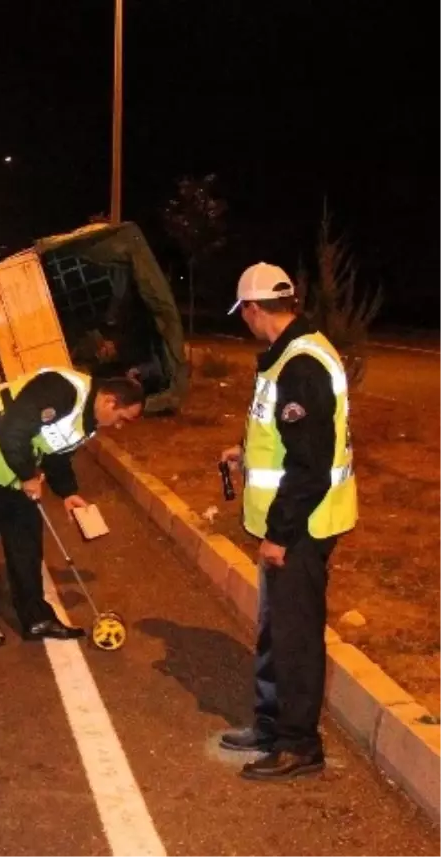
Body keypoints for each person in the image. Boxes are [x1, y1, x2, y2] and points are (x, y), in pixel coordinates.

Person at [218, 262, 357, 782]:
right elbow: (285, 435)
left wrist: (280, 534)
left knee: (295, 637)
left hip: (304, 527)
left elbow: (310, 463)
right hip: (297, 521)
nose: (245, 322)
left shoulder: (301, 364)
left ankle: (300, 746)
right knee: (275, 630)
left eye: (244, 314)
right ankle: (272, 725)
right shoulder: (293, 354)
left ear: (254, 309)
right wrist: (246, 453)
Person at [0, 368, 145, 645]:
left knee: (26, 543)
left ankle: (36, 619)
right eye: (122, 418)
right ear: (110, 401)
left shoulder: (87, 418)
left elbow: (56, 451)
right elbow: (11, 429)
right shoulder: (61, 389)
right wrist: (29, 476)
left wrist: (67, 492)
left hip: (19, 461)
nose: (119, 425)